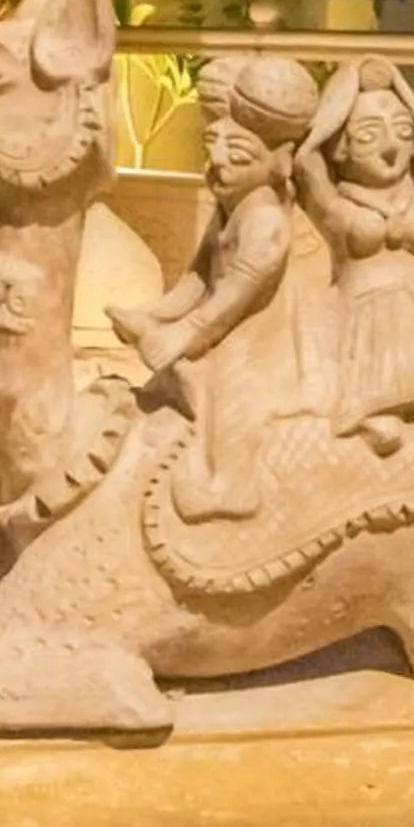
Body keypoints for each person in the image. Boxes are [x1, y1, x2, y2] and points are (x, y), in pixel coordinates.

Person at [109, 55, 320, 521]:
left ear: (279, 162)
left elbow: (229, 301)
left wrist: (182, 335)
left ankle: (231, 486)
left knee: (229, 392)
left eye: (238, 154)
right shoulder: (230, 207)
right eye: (212, 147)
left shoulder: (265, 221)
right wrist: (156, 314)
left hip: (254, 340)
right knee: (172, 381)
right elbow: (198, 278)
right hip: (218, 327)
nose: (218, 162)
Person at [295, 58, 414, 454]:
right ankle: (374, 413)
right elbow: (307, 173)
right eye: (368, 135)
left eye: (402, 131)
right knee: (375, 388)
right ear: (340, 148)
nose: (390, 147)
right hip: (362, 311)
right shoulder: (340, 205)